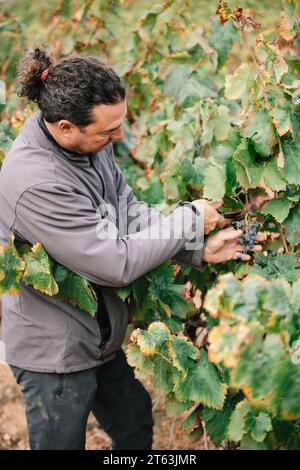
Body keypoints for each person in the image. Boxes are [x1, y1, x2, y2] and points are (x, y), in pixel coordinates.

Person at [0, 45, 261, 450]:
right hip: (56, 352)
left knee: (134, 421)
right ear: (66, 127)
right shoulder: (37, 182)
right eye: (108, 131)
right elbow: (113, 262)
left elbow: (129, 213)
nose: (119, 136)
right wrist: (189, 218)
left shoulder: (87, 146)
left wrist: (196, 247)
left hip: (100, 333)